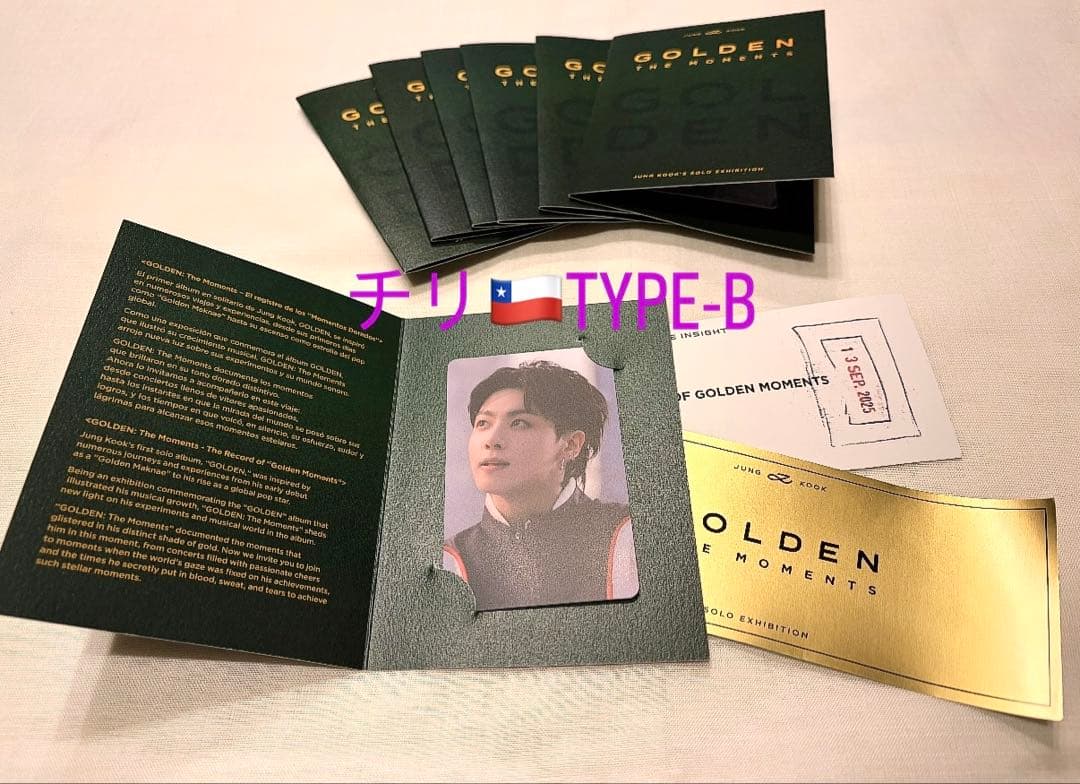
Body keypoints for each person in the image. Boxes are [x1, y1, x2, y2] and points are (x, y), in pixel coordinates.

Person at [443, 360, 638, 611]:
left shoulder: (626, 536)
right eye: (483, 423)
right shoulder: (449, 560)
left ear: (571, 445)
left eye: (519, 423)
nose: (491, 440)